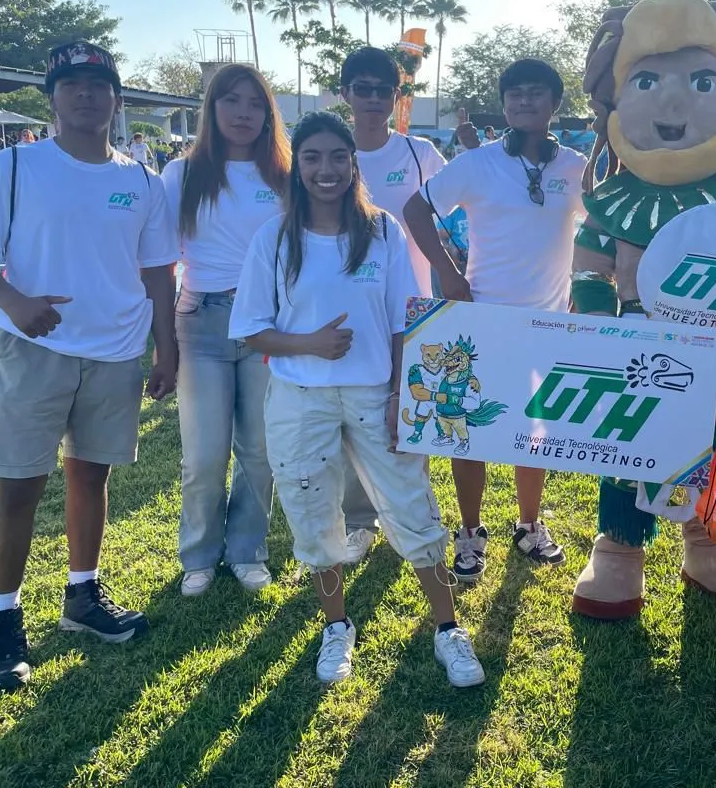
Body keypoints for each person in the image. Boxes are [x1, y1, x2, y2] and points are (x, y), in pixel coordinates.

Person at [229, 110, 485, 687]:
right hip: (300, 398)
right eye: (313, 158)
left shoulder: (384, 231)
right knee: (314, 517)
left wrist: (401, 393)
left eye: (338, 158)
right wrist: (309, 344)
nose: (326, 170)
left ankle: (448, 629)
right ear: (299, 167)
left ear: (353, 164)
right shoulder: (274, 237)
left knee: (412, 508)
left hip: (375, 394)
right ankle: (337, 626)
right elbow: (250, 329)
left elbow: (404, 321)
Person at [0, 41, 178, 692]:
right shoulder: (16, 167)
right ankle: (4, 622)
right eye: (71, 83)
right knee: (20, 484)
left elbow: (159, 272)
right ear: (52, 97)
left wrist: (166, 348)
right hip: (37, 348)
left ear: (117, 98)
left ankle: (82, 596)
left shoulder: (139, 181)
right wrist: (14, 301)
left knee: (91, 477)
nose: (86, 94)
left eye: (98, 83)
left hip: (116, 350)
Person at [403, 58, 586, 582]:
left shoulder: (573, 166)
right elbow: (417, 210)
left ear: (554, 103)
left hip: (549, 321)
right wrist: (450, 274)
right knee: (469, 431)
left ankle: (529, 524)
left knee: (534, 428)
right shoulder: (476, 164)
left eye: (537, 94)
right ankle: (470, 531)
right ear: (504, 104)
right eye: (516, 94)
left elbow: (600, 225)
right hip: (481, 318)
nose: (525, 102)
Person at [161, 64, 291, 597]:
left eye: (255, 104)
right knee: (204, 454)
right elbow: (158, 258)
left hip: (267, 325)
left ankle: (247, 549)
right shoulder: (183, 174)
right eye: (231, 101)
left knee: (260, 450)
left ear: (268, 115)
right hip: (203, 323)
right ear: (211, 109)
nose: (243, 113)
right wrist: (162, 341)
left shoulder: (284, 176)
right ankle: (198, 554)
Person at [336, 46, 447, 564]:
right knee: (353, 418)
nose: (374, 99)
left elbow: (454, 220)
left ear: (397, 97)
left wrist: (456, 273)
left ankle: (414, 507)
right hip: (348, 313)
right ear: (346, 95)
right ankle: (359, 520)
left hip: (412, 308)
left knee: (410, 408)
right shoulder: (328, 152)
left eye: (385, 90)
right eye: (363, 89)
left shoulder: (421, 154)